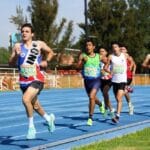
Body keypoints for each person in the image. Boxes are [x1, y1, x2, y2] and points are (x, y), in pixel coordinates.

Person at [9, 23, 55, 139]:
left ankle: (31, 128)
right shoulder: (17, 46)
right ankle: (49, 119)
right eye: (22, 31)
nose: (24, 33)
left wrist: (46, 61)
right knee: (35, 105)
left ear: (32, 34)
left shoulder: (38, 44)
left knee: (25, 99)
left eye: (27, 31)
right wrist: (16, 56)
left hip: (37, 79)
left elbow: (51, 52)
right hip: (24, 81)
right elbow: (11, 63)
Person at [77, 39, 105, 126]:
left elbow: (107, 62)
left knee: (91, 97)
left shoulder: (98, 56)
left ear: (93, 47)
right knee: (91, 97)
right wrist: (81, 61)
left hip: (96, 80)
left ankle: (90, 117)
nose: (88, 47)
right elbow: (77, 67)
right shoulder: (83, 55)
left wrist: (103, 70)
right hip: (87, 81)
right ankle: (100, 104)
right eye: (86, 45)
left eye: (89, 45)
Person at [104, 42, 127, 123]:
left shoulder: (124, 55)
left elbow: (131, 61)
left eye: (116, 47)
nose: (114, 48)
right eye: (113, 47)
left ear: (119, 48)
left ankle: (117, 116)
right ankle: (126, 91)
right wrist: (110, 72)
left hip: (122, 80)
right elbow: (105, 67)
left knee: (118, 98)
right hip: (114, 80)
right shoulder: (111, 56)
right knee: (117, 99)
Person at [99, 47, 115, 118]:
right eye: (100, 51)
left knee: (105, 93)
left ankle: (106, 109)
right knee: (105, 95)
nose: (101, 53)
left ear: (106, 53)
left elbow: (108, 65)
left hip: (109, 79)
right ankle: (110, 109)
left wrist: (106, 71)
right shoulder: (98, 60)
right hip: (101, 80)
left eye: (103, 51)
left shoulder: (107, 59)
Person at [120, 46, 136, 115]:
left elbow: (133, 64)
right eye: (121, 49)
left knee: (123, 91)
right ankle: (130, 105)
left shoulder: (127, 56)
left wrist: (132, 69)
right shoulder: (118, 57)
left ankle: (128, 89)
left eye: (123, 49)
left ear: (126, 50)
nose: (122, 50)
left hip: (128, 76)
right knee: (125, 92)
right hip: (121, 76)